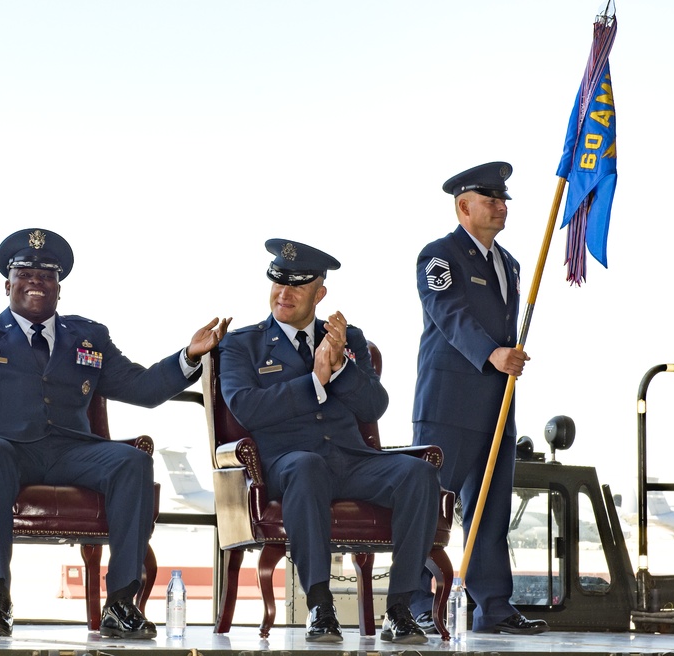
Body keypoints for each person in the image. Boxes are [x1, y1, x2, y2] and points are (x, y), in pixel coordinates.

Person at [0, 228, 229, 639]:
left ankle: (121, 602)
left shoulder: (90, 337)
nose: (36, 280)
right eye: (24, 272)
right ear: (7, 284)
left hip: (72, 449)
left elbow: (141, 388)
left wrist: (189, 357)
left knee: (133, 461)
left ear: (59, 288)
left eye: (47, 275)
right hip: (6, 447)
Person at [217, 238, 441, 644]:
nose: (283, 294)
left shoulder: (346, 338)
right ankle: (320, 605)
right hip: (289, 463)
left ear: (319, 293)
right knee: (307, 466)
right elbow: (247, 408)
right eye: (277, 284)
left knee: (419, 474)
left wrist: (339, 368)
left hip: (352, 461)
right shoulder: (242, 344)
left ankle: (400, 609)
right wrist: (315, 381)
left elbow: (374, 406)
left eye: (297, 286)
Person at [410, 162, 548, 635]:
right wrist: (493, 354)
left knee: (492, 513)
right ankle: (413, 606)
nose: (501, 207)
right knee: (428, 510)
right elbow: (449, 315)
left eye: (503, 199)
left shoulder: (508, 264)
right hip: (447, 408)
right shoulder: (439, 258)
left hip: (496, 408)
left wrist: (502, 361)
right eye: (491, 200)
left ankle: (493, 608)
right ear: (463, 206)